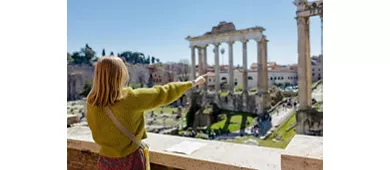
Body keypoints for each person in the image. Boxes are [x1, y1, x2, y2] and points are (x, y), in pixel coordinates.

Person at [86, 56, 208, 170]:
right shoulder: (130, 99)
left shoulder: (91, 102)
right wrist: (193, 82)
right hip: (131, 160)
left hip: (105, 161)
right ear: (121, 74)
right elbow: (164, 92)